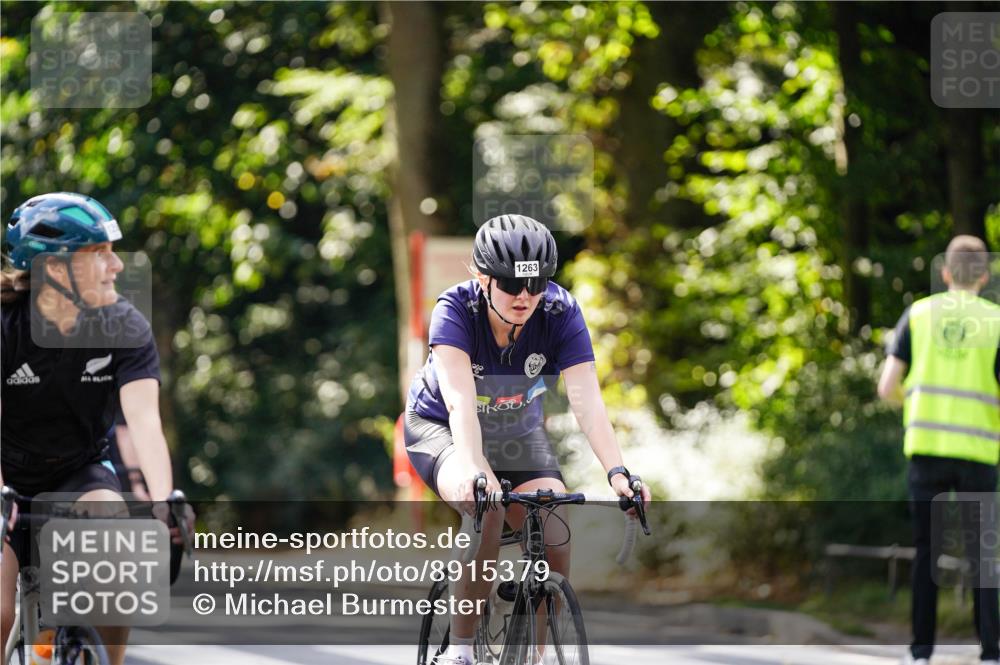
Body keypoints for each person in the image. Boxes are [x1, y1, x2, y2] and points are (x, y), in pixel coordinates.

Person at [404, 213, 651, 665]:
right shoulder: (455, 309)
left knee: (554, 519)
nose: (524, 297)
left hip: (516, 429)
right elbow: (460, 402)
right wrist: (478, 472)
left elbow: (587, 401)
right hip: (441, 425)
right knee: (489, 506)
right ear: (482, 278)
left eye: (535, 285)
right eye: (511, 285)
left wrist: (618, 472)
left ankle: (538, 653)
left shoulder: (560, 311)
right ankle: (459, 651)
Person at [1, 192, 181, 665]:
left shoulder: (124, 325)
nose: (116, 266)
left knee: (112, 551)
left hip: (79, 473)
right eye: (98, 254)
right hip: (5, 477)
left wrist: (165, 499)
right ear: (56, 271)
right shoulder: (5, 327)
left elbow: (144, 421)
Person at [878, 235, 1000, 665]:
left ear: (946, 273)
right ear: (984, 277)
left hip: (926, 450)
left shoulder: (919, 314)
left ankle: (921, 652)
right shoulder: (997, 321)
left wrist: (912, 405)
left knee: (925, 550)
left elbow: (887, 386)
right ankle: (990, 652)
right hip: (979, 453)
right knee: (984, 556)